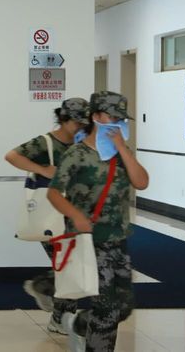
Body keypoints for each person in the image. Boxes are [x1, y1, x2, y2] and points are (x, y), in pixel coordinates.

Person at [47, 91, 149, 352]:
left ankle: (79, 324)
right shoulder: (77, 154)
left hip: (118, 238)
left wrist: (122, 148)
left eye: (121, 119)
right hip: (89, 240)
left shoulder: (121, 153)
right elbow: (54, 193)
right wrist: (76, 215)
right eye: (112, 117)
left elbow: (141, 182)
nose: (117, 123)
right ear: (96, 117)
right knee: (107, 307)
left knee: (123, 306)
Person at [5, 98, 90, 334]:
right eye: (77, 123)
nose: (81, 127)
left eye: (84, 123)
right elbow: (12, 156)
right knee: (69, 266)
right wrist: (43, 170)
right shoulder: (45, 143)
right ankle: (59, 313)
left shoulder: (83, 144)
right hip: (51, 216)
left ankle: (50, 300)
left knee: (70, 267)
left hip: (75, 214)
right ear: (63, 119)